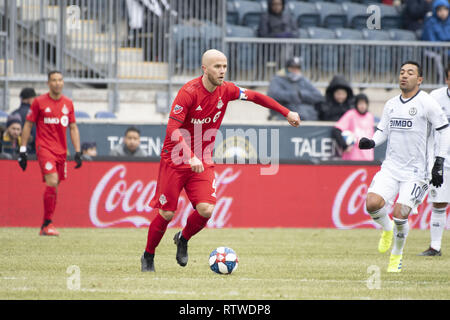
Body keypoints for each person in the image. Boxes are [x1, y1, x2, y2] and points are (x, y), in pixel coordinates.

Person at [141, 49, 300, 272]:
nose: (222, 71)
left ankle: (183, 239)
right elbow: (172, 130)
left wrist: (286, 112)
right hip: (176, 159)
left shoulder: (227, 90)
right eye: (217, 67)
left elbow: (255, 96)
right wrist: (190, 155)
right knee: (167, 213)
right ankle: (148, 256)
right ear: (204, 69)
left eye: (224, 66)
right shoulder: (188, 92)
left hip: (202, 160)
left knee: (206, 210)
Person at [358, 61, 450, 272]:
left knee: (400, 213)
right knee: (372, 203)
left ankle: (396, 256)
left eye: (410, 73)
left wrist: (439, 161)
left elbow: (444, 130)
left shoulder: (427, 103)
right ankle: (387, 229)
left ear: (419, 80)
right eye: (401, 72)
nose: (404, 76)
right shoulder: (391, 104)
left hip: (417, 172)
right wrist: (372, 141)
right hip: (391, 168)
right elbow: (383, 131)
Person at [18, 70, 82, 236]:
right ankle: (47, 223)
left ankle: (47, 223)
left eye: (60, 80)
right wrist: (23, 150)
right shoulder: (39, 102)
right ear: (48, 83)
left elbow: (73, 127)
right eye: (54, 80)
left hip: (61, 151)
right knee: (52, 181)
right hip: (44, 148)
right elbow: (28, 125)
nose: (57, 83)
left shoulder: (68, 103)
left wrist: (78, 151)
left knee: (55, 185)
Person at [419, 66, 450, 256]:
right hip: (442, 160)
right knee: (439, 203)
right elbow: (427, 130)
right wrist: (431, 160)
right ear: (447, 79)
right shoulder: (435, 98)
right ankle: (435, 246)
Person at [267, 56, 324, 121]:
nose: (295, 70)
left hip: (306, 116)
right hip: (285, 117)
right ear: (287, 68)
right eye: (292, 67)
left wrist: (301, 94)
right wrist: (294, 95)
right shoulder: (277, 79)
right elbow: (273, 95)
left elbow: (318, 96)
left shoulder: (303, 80)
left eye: (297, 68)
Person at [332, 93, 375, 161]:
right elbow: (336, 130)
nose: (362, 106)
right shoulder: (351, 114)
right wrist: (344, 146)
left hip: (368, 158)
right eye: (360, 103)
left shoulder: (370, 116)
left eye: (364, 103)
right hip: (352, 159)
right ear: (356, 104)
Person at [11, 87, 37, 153]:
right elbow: (35, 135)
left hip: (14, 151)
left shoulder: (13, 114)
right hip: (31, 152)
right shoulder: (34, 114)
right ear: (30, 99)